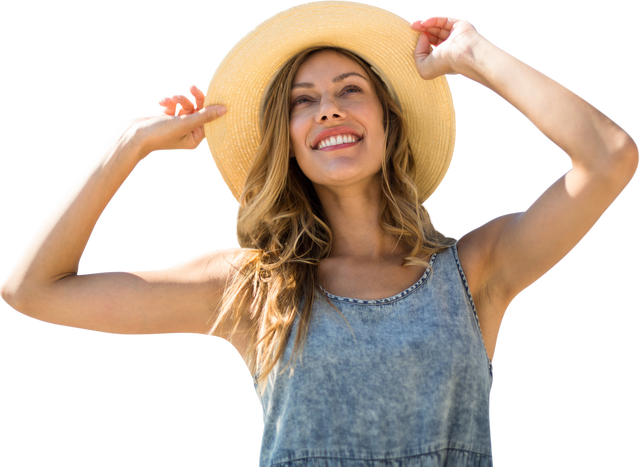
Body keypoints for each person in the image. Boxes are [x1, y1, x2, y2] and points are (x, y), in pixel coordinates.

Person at [0, 1, 637, 466]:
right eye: (303, 100)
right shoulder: (252, 287)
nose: (328, 108)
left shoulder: (476, 271)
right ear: (291, 142)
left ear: (389, 122)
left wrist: (476, 55)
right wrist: (129, 143)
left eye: (350, 90)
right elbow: (33, 290)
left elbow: (611, 156)